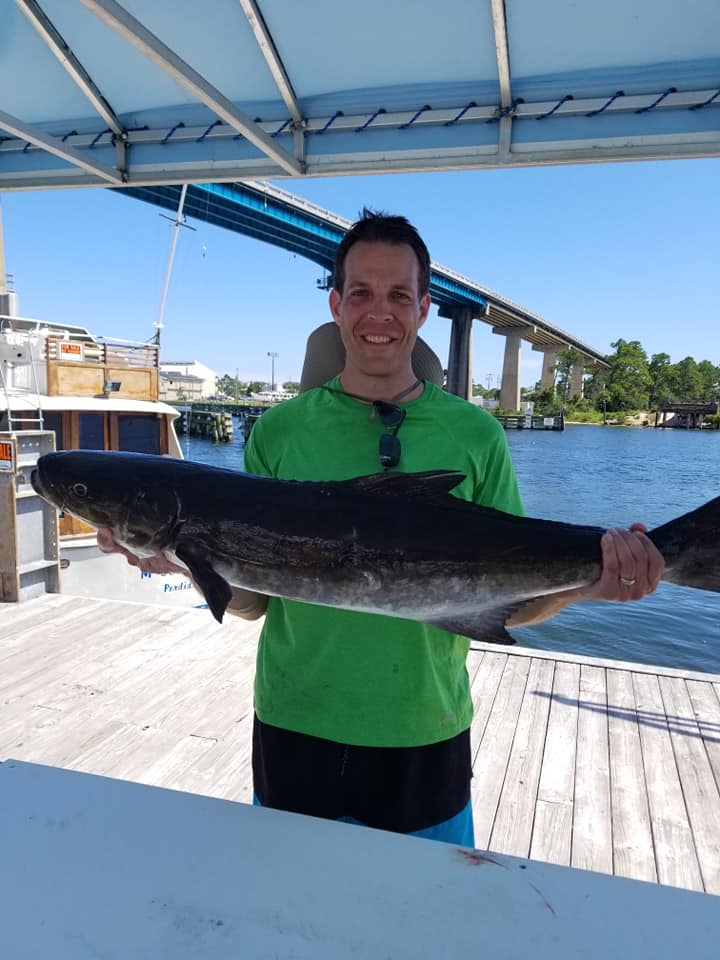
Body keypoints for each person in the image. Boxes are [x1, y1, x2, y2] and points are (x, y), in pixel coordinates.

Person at [98, 210, 664, 847]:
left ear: (423, 308)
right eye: (361, 293)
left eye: (399, 295)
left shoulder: (475, 435)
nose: (379, 313)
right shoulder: (278, 432)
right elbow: (254, 603)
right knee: (287, 911)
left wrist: (593, 582)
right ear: (337, 305)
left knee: (425, 925)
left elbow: (510, 601)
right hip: (294, 719)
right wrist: (178, 560)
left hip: (423, 727)